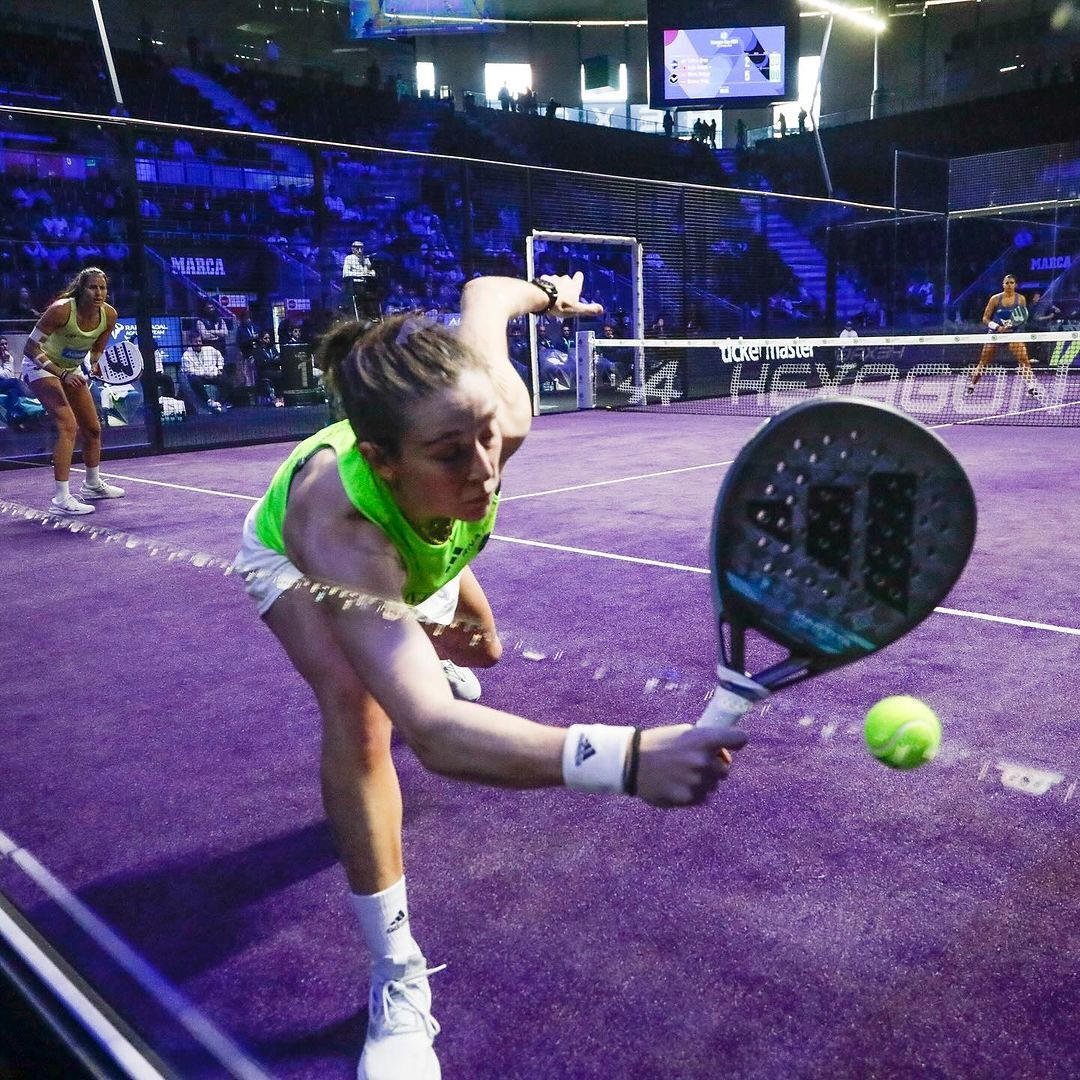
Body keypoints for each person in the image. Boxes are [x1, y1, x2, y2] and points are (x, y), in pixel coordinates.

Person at [233, 273, 748, 1080]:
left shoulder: (495, 415)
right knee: (365, 712)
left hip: (425, 537)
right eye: (451, 453)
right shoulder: (337, 528)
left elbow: (485, 294)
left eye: (486, 438)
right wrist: (629, 758)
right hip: (313, 565)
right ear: (383, 460)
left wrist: (549, 294)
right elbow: (435, 739)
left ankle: (411, 659)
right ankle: (397, 978)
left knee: (484, 653)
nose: (486, 470)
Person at [20, 268, 125, 515]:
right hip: (39, 367)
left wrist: (95, 364)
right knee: (68, 424)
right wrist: (62, 374)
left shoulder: (109, 315)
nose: (99, 293)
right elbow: (30, 348)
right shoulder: (61, 309)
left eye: (103, 288)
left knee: (92, 428)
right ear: (81, 289)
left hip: (71, 369)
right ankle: (61, 499)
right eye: (93, 287)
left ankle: (91, 485)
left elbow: (98, 345)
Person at [965, 274, 1040, 396]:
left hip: (1013, 334)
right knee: (983, 362)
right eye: (1007, 283)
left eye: (1011, 283)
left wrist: (1012, 327)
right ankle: (971, 386)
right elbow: (985, 318)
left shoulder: (1020, 299)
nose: (1009, 285)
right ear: (1003, 285)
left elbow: (1021, 317)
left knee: (1024, 360)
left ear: (1015, 285)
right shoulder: (995, 299)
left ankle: (1032, 388)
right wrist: (998, 327)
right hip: (995, 334)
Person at [180, 331, 229, 413]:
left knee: (226, 380)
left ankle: (220, 403)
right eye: (196, 342)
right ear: (191, 343)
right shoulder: (186, 355)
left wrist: (220, 369)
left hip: (213, 374)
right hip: (200, 377)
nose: (198, 343)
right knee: (193, 379)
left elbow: (220, 357)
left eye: (199, 341)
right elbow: (189, 371)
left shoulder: (209, 349)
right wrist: (204, 374)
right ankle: (209, 401)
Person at [343, 240, 380, 321]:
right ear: (353, 249)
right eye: (357, 248)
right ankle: (369, 315)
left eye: (361, 248)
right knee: (363, 293)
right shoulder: (349, 258)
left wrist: (372, 272)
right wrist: (361, 274)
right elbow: (346, 273)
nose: (360, 250)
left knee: (378, 290)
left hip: (367, 283)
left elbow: (369, 270)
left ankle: (377, 314)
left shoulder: (365, 258)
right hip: (356, 283)